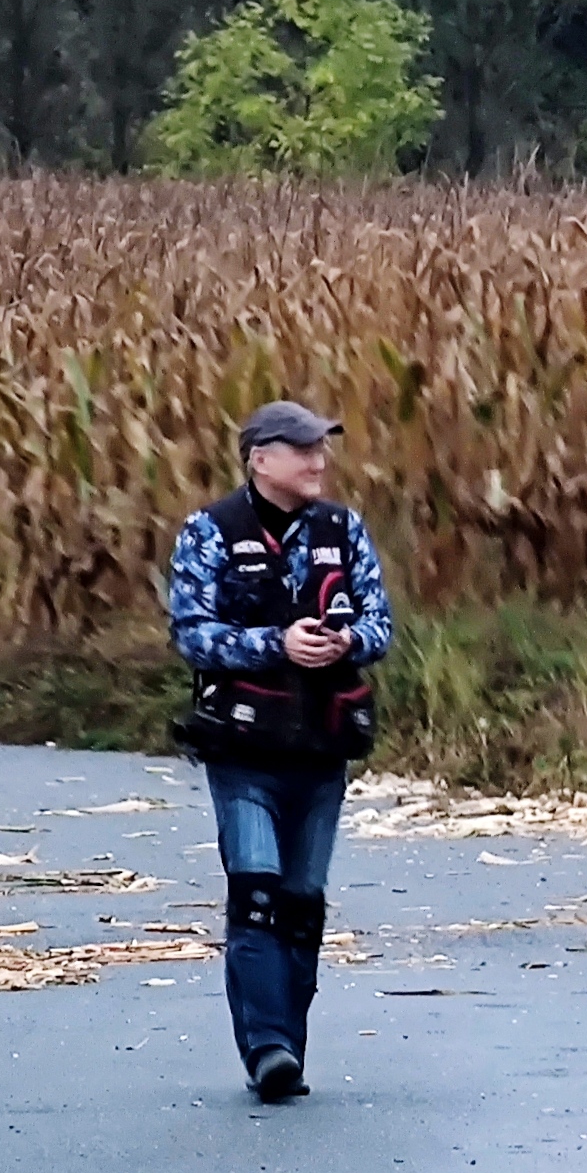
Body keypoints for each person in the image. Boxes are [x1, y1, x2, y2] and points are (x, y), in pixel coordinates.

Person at [166, 401, 392, 1103]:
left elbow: (380, 624)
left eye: (322, 447)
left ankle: (288, 1043)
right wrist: (277, 643)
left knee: (303, 903)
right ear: (260, 459)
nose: (319, 460)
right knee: (257, 893)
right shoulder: (209, 531)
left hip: (323, 745)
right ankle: (267, 1047)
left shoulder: (342, 530)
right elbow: (191, 632)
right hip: (243, 747)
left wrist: (347, 641)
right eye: (302, 449)